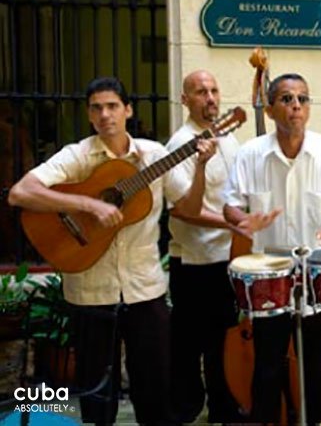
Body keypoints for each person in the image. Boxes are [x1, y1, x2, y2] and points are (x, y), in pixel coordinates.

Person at [8, 76, 216, 424]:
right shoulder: (78, 155)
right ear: (90, 116)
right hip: (90, 292)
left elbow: (190, 210)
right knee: (96, 396)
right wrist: (88, 206)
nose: (105, 115)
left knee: (155, 390)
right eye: (97, 108)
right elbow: (20, 193)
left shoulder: (155, 155)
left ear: (127, 110)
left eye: (112, 106)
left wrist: (201, 167)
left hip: (144, 290)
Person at [223, 73, 321, 424]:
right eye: (287, 99)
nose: (296, 106)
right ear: (272, 109)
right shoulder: (250, 154)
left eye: (302, 99)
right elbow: (230, 206)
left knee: (316, 367)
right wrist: (242, 221)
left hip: (317, 274)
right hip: (268, 275)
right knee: (267, 365)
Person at [166, 70, 243, 422]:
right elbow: (186, 210)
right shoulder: (178, 145)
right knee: (192, 344)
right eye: (200, 92)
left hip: (228, 256)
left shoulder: (228, 137)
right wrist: (234, 223)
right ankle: (188, 408)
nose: (210, 97)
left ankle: (223, 407)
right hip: (195, 261)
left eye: (214, 90)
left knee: (223, 341)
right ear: (186, 100)